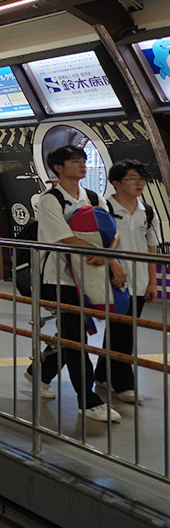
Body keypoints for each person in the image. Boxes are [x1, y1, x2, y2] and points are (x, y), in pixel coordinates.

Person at [24, 145, 119, 423]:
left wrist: (110, 255)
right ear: (58, 168)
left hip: (88, 276)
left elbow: (112, 232)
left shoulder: (93, 197)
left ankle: (40, 372)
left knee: (72, 333)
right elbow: (64, 238)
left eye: (83, 160)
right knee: (77, 336)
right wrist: (102, 255)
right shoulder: (50, 200)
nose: (81, 165)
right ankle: (87, 401)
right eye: (74, 161)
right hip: (59, 279)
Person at [101, 161, 159, 403]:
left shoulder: (148, 211)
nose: (139, 183)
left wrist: (152, 282)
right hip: (112, 280)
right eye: (132, 179)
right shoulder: (104, 207)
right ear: (116, 183)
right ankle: (123, 383)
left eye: (141, 179)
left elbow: (151, 248)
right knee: (122, 331)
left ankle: (103, 374)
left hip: (139, 281)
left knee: (121, 329)